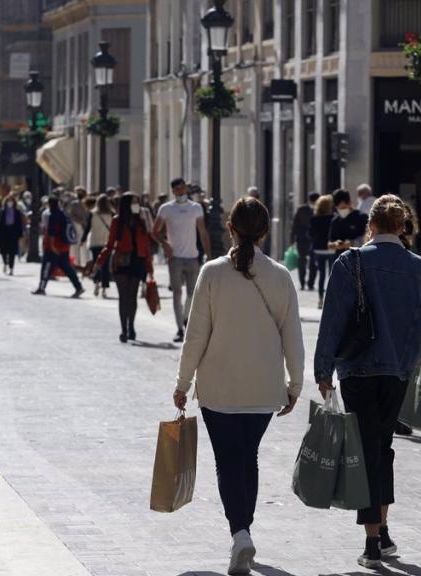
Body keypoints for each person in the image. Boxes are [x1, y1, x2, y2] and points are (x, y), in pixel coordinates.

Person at [172, 197, 303, 575]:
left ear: (230, 228)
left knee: (228, 461)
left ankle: (240, 532)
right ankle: (244, 528)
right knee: (248, 457)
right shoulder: (280, 276)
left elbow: (196, 335)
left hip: (218, 388)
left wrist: (183, 382)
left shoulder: (212, 273)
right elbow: (293, 337)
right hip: (264, 388)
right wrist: (295, 384)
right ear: (264, 232)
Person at [314, 195, 421, 568]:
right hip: (397, 370)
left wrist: (323, 369)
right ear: (402, 226)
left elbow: (333, 319)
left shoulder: (350, 262)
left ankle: (372, 540)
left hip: (357, 368)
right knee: (382, 448)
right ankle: (381, 530)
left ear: (370, 225)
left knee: (367, 450)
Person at [154, 178, 212, 343]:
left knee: (192, 293)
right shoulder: (166, 209)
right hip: (175, 258)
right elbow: (155, 231)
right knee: (177, 293)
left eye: (183, 188)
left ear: (186, 189)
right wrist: (165, 244)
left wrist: (208, 254)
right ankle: (180, 329)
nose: (181, 191)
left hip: (193, 256)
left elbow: (202, 231)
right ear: (173, 191)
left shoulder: (196, 208)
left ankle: (186, 318)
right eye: (177, 189)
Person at [94, 193, 154, 341]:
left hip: (137, 261)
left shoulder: (141, 221)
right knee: (123, 297)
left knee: (132, 297)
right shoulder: (117, 221)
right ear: (126, 204)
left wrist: (149, 267)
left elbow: (146, 246)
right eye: (133, 202)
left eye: (137, 202)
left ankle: (131, 326)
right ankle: (123, 329)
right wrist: (99, 261)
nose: (136, 205)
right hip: (121, 261)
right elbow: (109, 244)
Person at [33, 196, 85, 298]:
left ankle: (41, 288)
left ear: (49, 204)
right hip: (64, 246)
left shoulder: (52, 216)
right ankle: (79, 287)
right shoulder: (64, 215)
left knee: (46, 268)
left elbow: (51, 233)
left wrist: (52, 247)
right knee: (68, 269)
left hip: (53, 248)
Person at [310, 194, 336, 308]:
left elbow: (310, 233)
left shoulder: (314, 219)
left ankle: (320, 299)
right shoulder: (334, 218)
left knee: (321, 275)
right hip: (331, 248)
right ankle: (331, 299)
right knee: (332, 274)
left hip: (318, 249)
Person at [87, 194, 114, 298]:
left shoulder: (93, 213)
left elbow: (88, 228)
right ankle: (104, 289)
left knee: (96, 264)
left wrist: (83, 239)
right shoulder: (111, 214)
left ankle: (96, 284)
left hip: (95, 242)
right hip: (107, 243)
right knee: (105, 266)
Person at [291, 192, 319, 291]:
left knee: (306, 261)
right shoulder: (305, 209)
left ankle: (306, 283)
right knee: (307, 261)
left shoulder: (302, 209)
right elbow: (295, 224)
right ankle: (307, 283)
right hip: (306, 239)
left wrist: (292, 238)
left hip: (307, 239)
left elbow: (294, 225)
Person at [329, 189, 369, 257]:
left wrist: (352, 243)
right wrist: (335, 244)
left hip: (359, 257)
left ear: (350, 203)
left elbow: (368, 237)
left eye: (344, 207)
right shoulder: (335, 220)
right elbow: (330, 243)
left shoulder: (362, 217)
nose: (342, 210)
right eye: (339, 209)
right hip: (340, 258)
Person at [0, 193, 24, 276]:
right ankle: (5, 263)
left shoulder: (17, 212)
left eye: (11, 201)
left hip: (13, 234)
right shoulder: (1, 212)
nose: (10, 203)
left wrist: (20, 235)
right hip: (4, 233)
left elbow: (19, 224)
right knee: (3, 250)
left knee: (12, 251)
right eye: (8, 201)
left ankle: (11, 268)